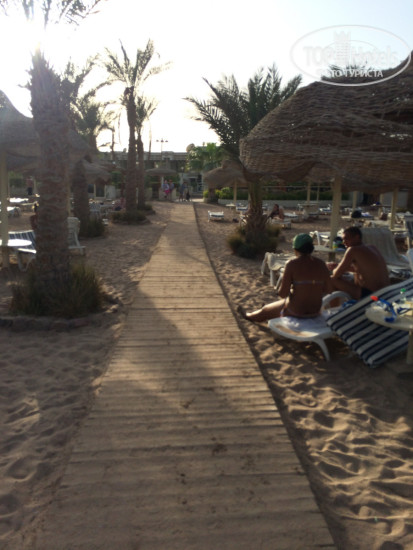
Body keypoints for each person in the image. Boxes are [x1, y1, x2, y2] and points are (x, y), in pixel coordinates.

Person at [238, 233, 331, 322]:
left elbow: (283, 294)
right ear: (311, 248)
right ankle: (270, 311)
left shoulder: (292, 264)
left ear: (295, 249)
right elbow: (328, 289)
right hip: (315, 312)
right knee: (275, 306)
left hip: (296, 311)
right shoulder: (321, 264)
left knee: (265, 310)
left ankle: (248, 315)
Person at [328, 226, 390, 300]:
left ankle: (336, 307)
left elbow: (336, 274)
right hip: (385, 292)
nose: (343, 242)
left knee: (331, 280)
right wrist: (339, 266)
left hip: (371, 295)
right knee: (348, 278)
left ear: (357, 237)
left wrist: (335, 268)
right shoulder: (372, 247)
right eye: (343, 239)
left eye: (346, 239)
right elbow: (366, 269)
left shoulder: (353, 249)